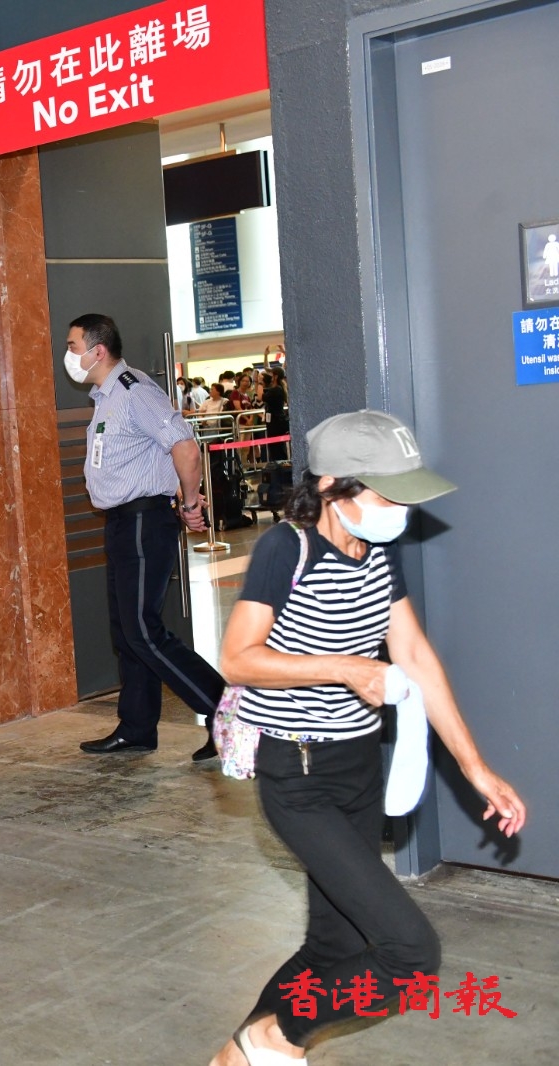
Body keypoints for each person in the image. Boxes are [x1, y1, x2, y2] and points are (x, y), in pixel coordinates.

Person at [209, 410, 527, 1066]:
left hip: (358, 767)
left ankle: (240, 1057)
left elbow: (415, 657)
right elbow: (238, 658)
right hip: (298, 774)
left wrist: (476, 769)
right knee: (411, 954)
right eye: (388, 495)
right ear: (332, 486)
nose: (401, 511)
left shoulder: (378, 553)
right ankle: (271, 1040)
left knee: (335, 948)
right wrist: (347, 668)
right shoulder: (286, 550)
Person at [63, 314, 222, 761]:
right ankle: (136, 727)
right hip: (120, 523)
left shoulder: (134, 391)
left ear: (97, 350)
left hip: (142, 522)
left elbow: (185, 446)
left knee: (143, 631)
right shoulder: (106, 397)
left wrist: (190, 503)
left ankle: (228, 709)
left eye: (72, 347)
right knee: (127, 632)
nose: (67, 356)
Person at [262, 368, 290, 462]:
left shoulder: (276, 390)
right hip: (275, 421)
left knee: (277, 447)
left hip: (276, 422)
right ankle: (278, 463)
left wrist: (259, 383)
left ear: (275, 376)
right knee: (276, 447)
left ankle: (280, 464)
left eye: (271, 374)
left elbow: (261, 397)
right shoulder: (277, 389)